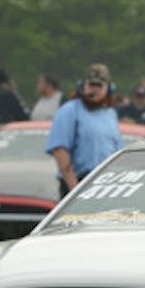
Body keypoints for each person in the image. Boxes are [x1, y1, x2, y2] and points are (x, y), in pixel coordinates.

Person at [46, 63, 124, 196]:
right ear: (82, 86)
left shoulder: (110, 113)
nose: (94, 90)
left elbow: (118, 151)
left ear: (109, 89)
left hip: (106, 185)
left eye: (99, 86)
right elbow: (60, 150)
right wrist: (75, 190)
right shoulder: (70, 110)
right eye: (91, 85)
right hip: (78, 183)